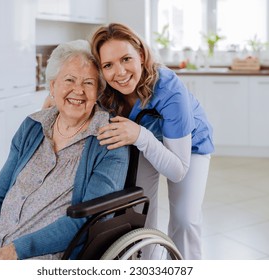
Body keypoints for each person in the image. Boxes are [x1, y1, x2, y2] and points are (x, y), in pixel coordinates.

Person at [0, 39, 129, 260]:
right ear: (53, 86)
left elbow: (89, 219)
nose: (78, 90)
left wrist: (12, 252)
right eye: (70, 80)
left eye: (88, 83)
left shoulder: (109, 139)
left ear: (98, 93)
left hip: (42, 256)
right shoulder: (33, 125)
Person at [90, 23, 214, 260]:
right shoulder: (104, 90)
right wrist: (52, 100)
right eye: (108, 65)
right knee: (139, 214)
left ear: (141, 54)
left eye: (126, 59)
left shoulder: (169, 88)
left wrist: (140, 135)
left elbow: (178, 170)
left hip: (190, 146)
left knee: (185, 220)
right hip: (139, 141)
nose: (120, 72)